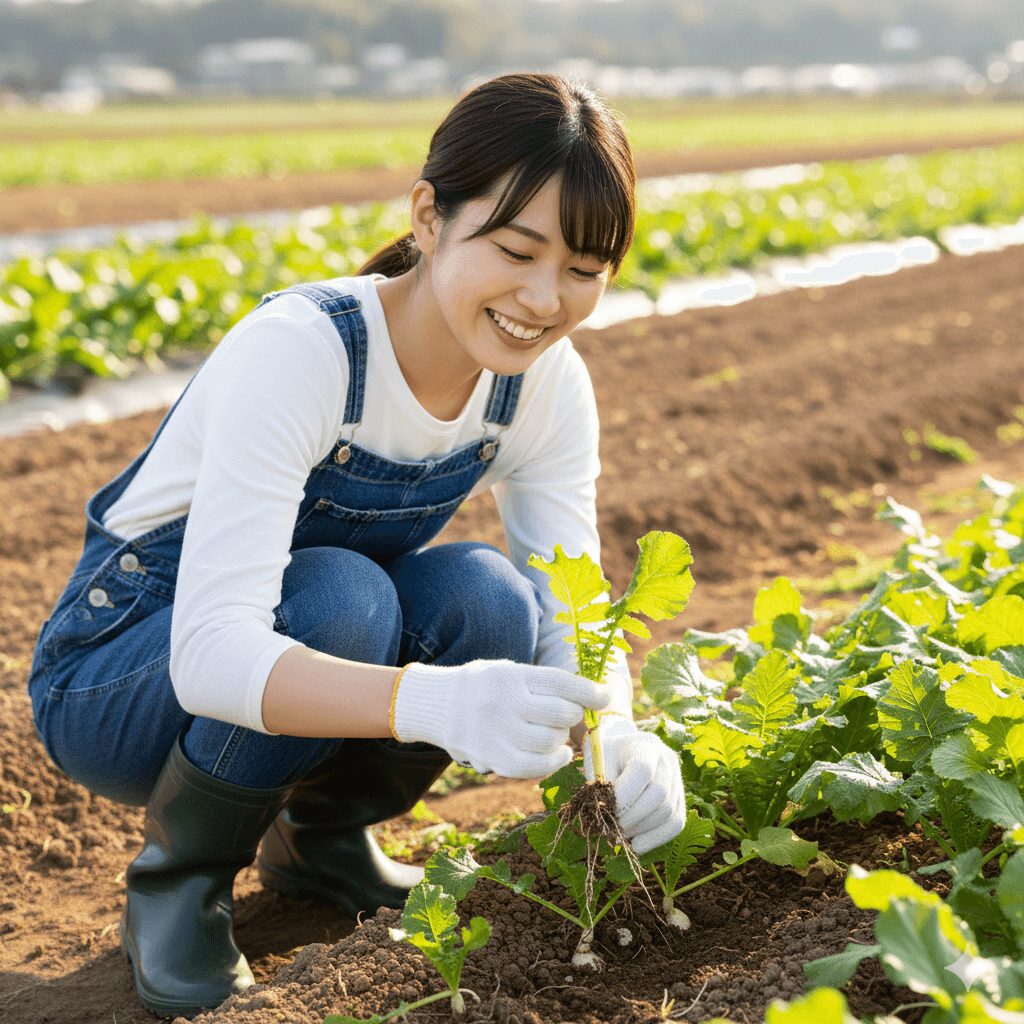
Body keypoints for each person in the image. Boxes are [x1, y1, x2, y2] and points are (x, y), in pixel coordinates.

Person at [25, 72, 686, 1017]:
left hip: (298, 657)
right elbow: (213, 657)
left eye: (584, 270)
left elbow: (571, 600)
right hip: (120, 681)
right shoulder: (305, 348)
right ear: (429, 217)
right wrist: (435, 700)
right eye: (516, 250)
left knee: (491, 599)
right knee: (342, 595)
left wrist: (618, 729)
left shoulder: (543, 385)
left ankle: (320, 842)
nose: (545, 299)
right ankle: (182, 880)